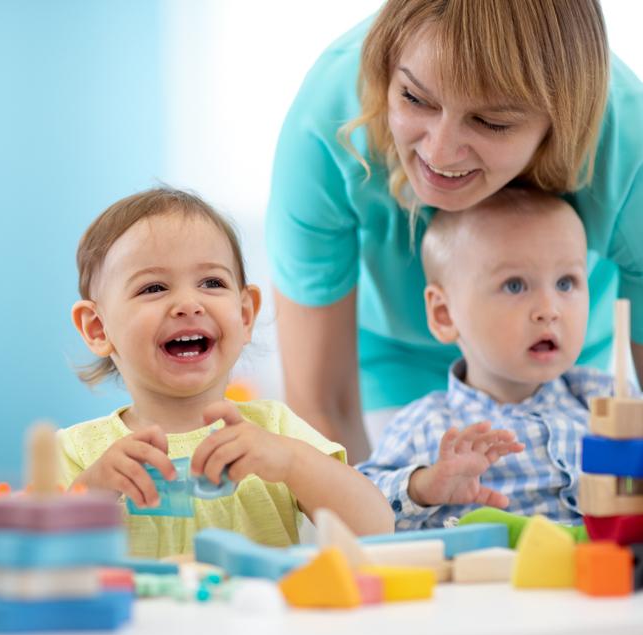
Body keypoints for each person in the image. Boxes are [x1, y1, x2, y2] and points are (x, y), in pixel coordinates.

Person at [266, 0, 643, 465]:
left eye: (491, 122)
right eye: (414, 99)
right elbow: (322, 404)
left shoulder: (630, 153)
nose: (439, 153)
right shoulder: (326, 126)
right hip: (393, 357)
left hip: (560, 356)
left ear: (557, 124)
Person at [59, 186, 393, 559]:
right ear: (98, 328)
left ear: (245, 314)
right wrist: (93, 490)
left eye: (212, 283)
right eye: (153, 287)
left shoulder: (273, 431)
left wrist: (292, 463)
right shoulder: (77, 452)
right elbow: (34, 559)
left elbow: (377, 528)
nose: (188, 304)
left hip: (258, 617)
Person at [358, 187, 616, 530]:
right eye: (514, 286)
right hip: (490, 580)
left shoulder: (603, 399)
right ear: (445, 314)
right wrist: (424, 486)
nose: (549, 310)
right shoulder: (428, 425)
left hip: (603, 577)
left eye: (566, 283)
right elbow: (357, 503)